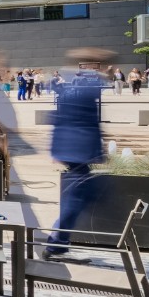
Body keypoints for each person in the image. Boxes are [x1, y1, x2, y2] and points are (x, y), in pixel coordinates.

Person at [42, 47, 110, 257]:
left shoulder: (68, 83)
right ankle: (56, 245)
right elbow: (98, 88)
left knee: (80, 195)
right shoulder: (83, 84)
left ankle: (58, 243)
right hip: (77, 150)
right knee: (79, 197)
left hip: (71, 149)